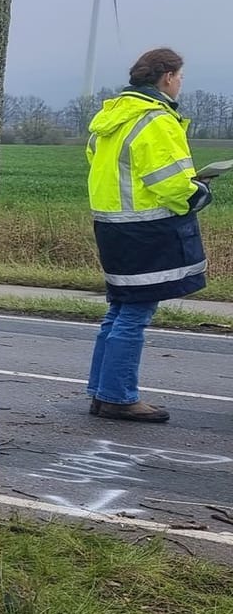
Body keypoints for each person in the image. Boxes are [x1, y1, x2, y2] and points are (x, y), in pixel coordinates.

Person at [84, 47, 210, 423]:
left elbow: (100, 163)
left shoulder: (111, 116)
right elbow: (171, 182)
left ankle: (102, 391)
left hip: (112, 225)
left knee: (120, 308)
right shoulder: (156, 119)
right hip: (146, 229)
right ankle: (119, 396)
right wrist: (200, 191)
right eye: (180, 77)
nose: (180, 84)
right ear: (167, 76)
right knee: (135, 312)